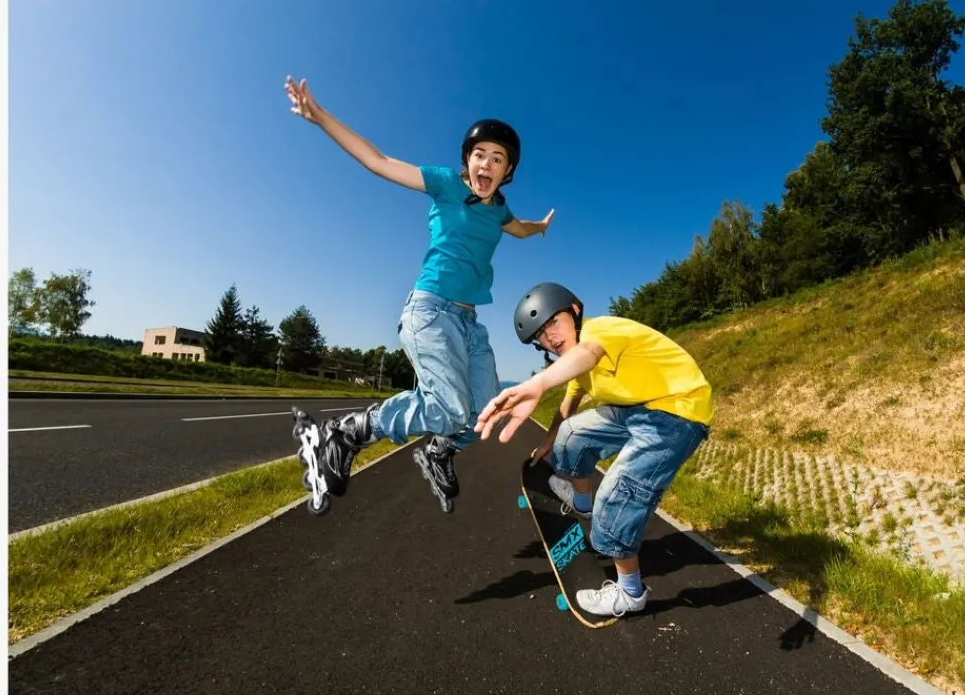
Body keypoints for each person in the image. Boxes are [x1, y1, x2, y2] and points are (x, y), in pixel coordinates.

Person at [284, 76, 554, 508]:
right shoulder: (446, 185)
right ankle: (348, 433)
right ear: (467, 161)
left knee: (485, 412)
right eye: (479, 155)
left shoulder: (500, 209)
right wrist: (321, 118)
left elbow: (518, 228)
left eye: (497, 159)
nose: (486, 165)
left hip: (469, 322)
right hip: (431, 312)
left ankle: (439, 451)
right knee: (448, 409)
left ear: (508, 172)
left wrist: (539, 227)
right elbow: (378, 161)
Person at [475, 282, 712, 616]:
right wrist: (547, 443)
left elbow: (589, 351)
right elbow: (566, 408)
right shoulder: (578, 367)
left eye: (553, 323)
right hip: (638, 409)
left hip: (678, 414)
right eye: (540, 336)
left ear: (574, 312)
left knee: (616, 498)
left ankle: (629, 593)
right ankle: (582, 504)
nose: (550, 338)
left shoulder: (599, 330)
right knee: (570, 435)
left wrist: (538, 383)